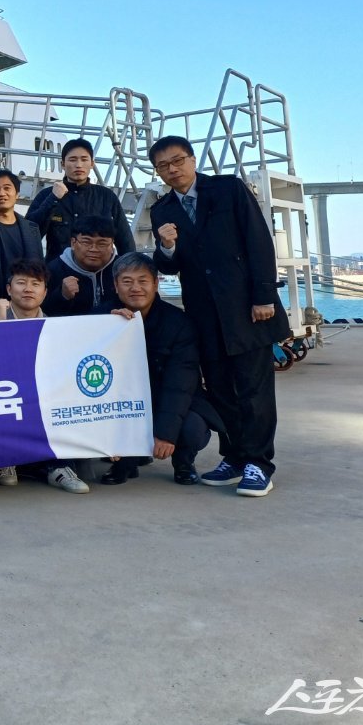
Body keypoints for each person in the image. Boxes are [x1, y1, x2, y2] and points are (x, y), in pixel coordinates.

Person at [149, 135, 290, 496]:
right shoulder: (162, 210)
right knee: (222, 390)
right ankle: (235, 456)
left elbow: (258, 240)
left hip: (246, 309)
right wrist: (165, 247)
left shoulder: (228, 189)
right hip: (204, 315)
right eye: (163, 166)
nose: (172, 169)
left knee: (254, 390)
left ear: (192, 159)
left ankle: (259, 464)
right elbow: (170, 267)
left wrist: (264, 295)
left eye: (177, 160)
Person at [103, 252, 226, 486]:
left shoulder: (179, 322)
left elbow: (180, 383)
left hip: (168, 397)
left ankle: (183, 462)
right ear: (116, 286)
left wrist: (166, 433)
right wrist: (105, 325)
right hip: (125, 402)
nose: (135, 288)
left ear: (156, 283)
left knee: (192, 428)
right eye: (127, 282)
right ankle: (124, 463)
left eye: (143, 281)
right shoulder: (104, 315)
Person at [0, 260, 91, 495]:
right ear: (8, 289)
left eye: (36, 284)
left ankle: (59, 467)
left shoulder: (55, 326)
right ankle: (5, 461)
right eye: (21, 283)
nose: (28, 289)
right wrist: (0, 320)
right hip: (3, 396)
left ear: (45, 292)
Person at [26, 138, 136, 261]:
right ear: (62, 164)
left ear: (92, 164)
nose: (78, 165)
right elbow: (29, 234)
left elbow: (125, 240)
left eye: (84, 160)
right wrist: (53, 199)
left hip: (98, 272)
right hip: (57, 272)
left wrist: (127, 270)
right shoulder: (47, 195)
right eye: (72, 160)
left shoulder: (106, 196)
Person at [44, 215, 119, 318]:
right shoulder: (53, 270)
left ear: (111, 245)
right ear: (73, 243)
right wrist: (62, 296)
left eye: (102, 243)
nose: (94, 249)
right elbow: (43, 312)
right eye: (86, 242)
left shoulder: (123, 269)